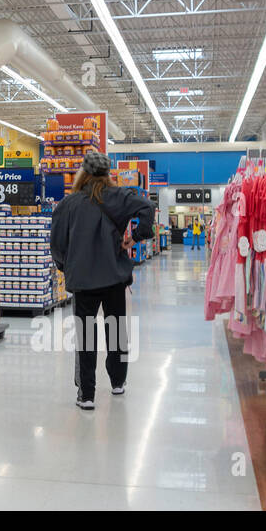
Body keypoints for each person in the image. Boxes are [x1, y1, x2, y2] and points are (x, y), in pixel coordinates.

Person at [50, 150, 155, 410]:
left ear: (83, 173)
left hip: (83, 280)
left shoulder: (68, 204)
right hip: (114, 277)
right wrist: (135, 237)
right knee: (116, 331)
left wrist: (66, 266)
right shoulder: (120, 197)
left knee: (85, 337)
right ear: (108, 174)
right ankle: (118, 382)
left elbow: (57, 243)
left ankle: (87, 395)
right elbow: (148, 207)